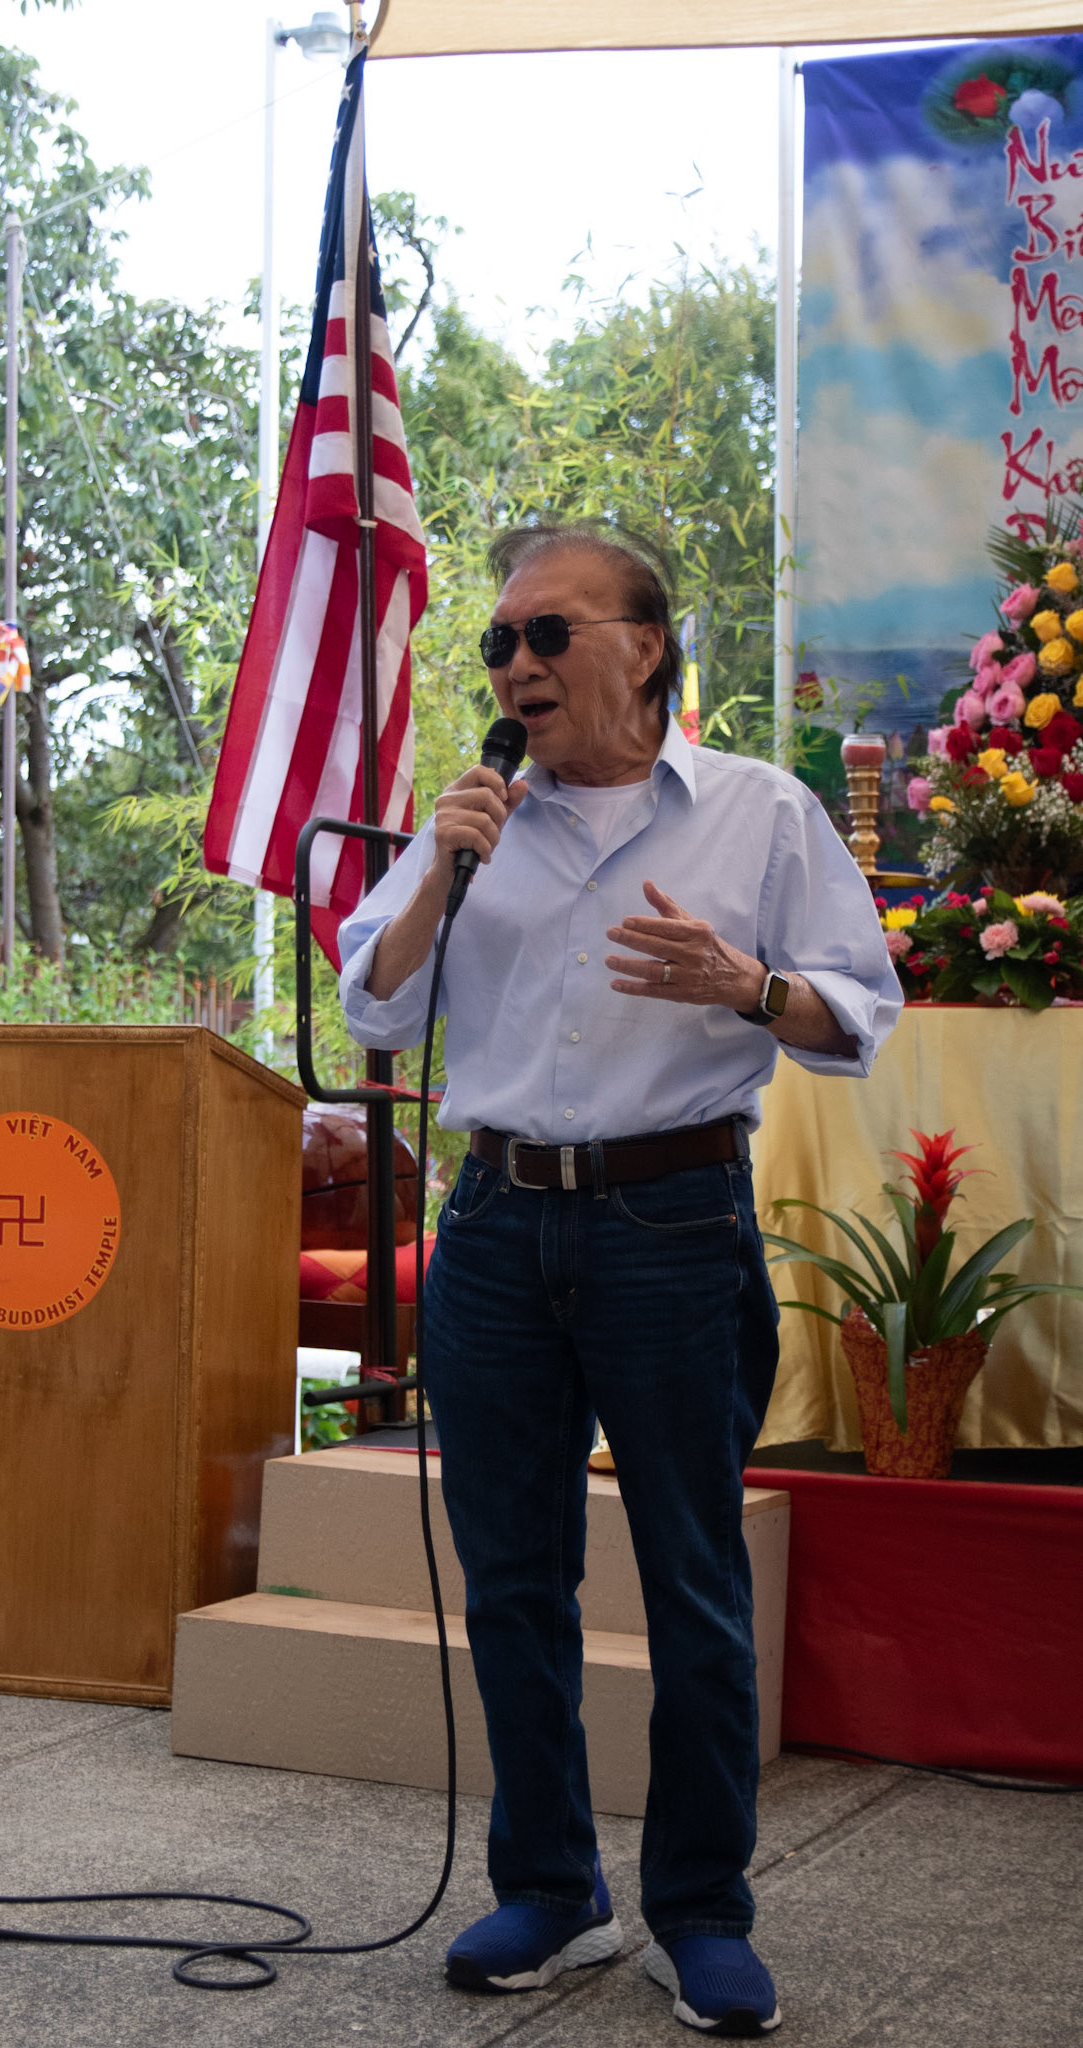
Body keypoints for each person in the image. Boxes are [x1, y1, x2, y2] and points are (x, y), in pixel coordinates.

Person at [338, 520, 902, 2038]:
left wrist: (750, 987)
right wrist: (438, 876)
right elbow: (372, 1011)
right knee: (512, 1578)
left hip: (673, 1225)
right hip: (496, 1231)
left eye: (549, 633)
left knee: (693, 1580)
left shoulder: (760, 815)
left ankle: (702, 1911)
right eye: (498, 643)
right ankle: (551, 1885)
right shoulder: (471, 820)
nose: (515, 665)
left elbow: (862, 1010)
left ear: (645, 647)